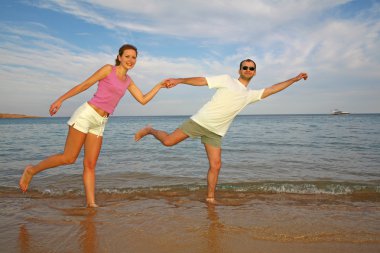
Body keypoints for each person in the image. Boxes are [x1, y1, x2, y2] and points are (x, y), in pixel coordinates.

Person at [135, 59, 308, 204]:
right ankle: (150, 130)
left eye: (251, 68)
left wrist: (294, 79)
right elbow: (202, 80)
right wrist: (180, 80)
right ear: (239, 70)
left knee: (216, 165)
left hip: (216, 132)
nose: (248, 70)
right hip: (200, 121)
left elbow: (272, 89)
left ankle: (210, 198)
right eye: (245, 67)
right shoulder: (227, 80)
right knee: (168, 142)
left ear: (254, 72)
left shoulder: (250, 95)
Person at [19, 44, 169, 207]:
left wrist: (160, 85)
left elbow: (143, 100)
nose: (130, 60)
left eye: (134, 57)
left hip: (100, 122)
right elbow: (85, 85)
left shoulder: (128, 81)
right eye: (127, 56)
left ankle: (91, 204)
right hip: (86, 115)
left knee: (90, 165)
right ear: (119, 57)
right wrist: (61, 99)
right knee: (69, 158)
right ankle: (31, 170)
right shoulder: (108, 70)